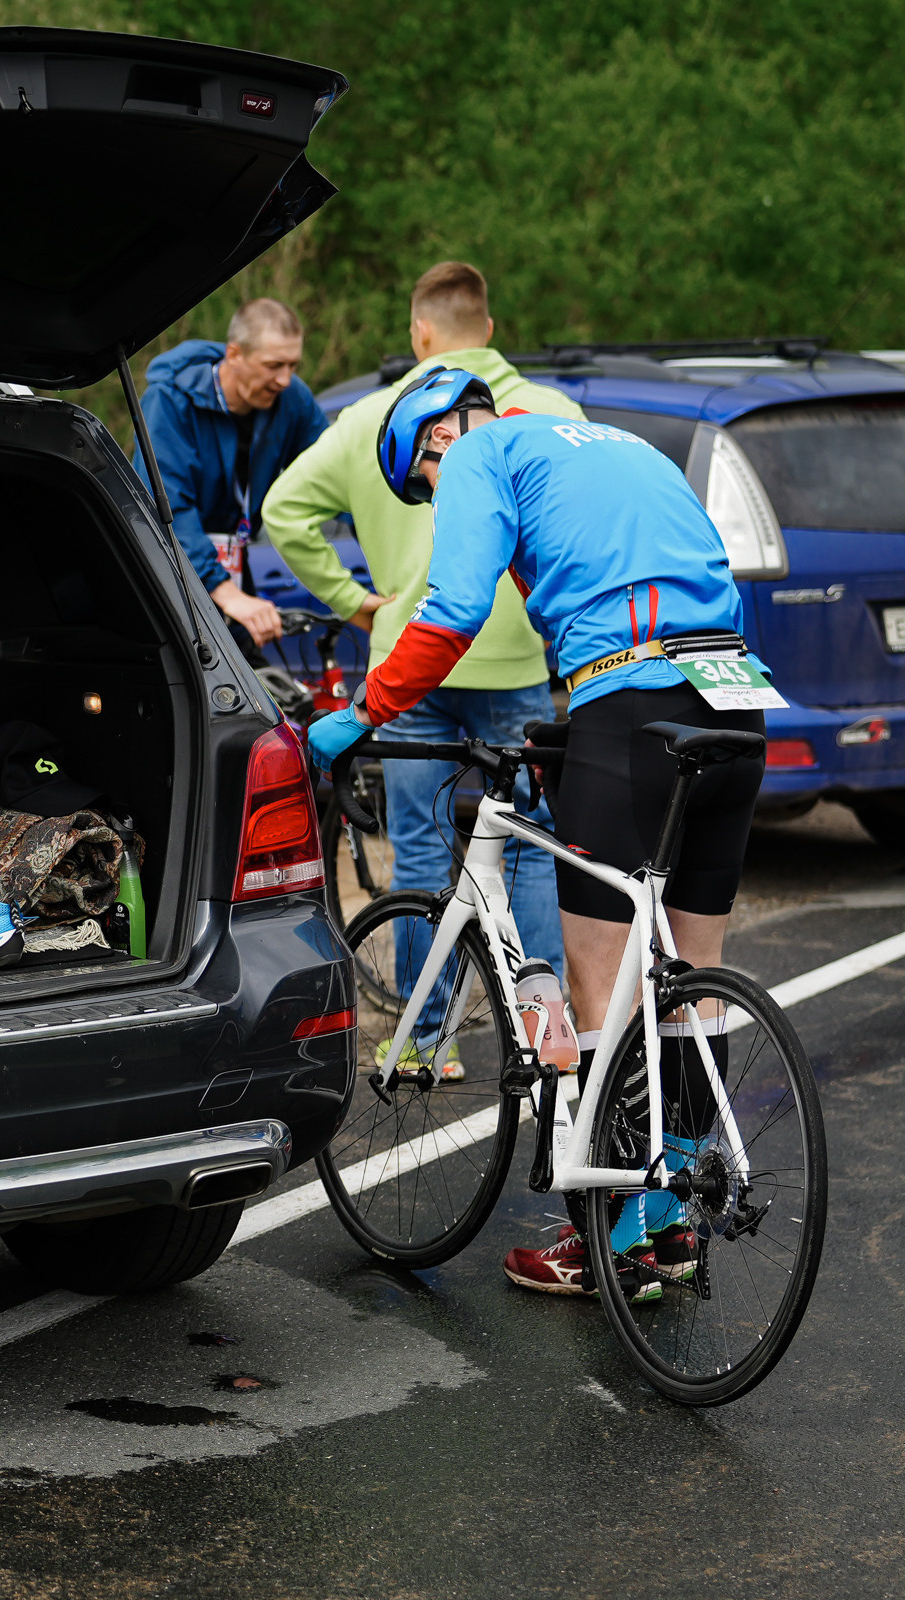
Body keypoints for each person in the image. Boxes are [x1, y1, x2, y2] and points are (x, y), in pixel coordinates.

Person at [306, 365, 772, 1296]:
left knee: (601, 1008)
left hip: (631, 705)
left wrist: (359, 715)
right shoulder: (619, 442)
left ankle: (616, 1244)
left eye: (429, 494)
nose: (443, 502)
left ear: (434, 444)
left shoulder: (480, 449)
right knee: (692, 995)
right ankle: (678, 1225)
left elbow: (451, 613)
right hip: (733, 706)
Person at [261, 261, 576, 1029]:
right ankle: (545, 1024)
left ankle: (427, 1032)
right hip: (512, 659)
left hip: (408, 660)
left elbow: (284, 508)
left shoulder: (377, 414)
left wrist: (361, 604)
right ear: (489, 329)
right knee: (532, 845)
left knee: (422, 845)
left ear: (419, 332)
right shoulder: (549, 408)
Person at [138, 297, 327, 660]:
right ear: (235, 354)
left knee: (264, 696)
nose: (285, 380)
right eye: (274, 365)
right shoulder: (169, 400)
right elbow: (167, 507)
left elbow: (331, 473)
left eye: (293, 365)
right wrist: (226, 593)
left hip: (232, 574)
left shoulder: (293, 399)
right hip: (174, 577)